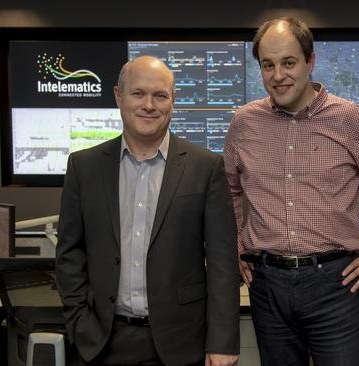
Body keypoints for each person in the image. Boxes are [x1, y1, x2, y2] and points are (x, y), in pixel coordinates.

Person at [223, 17, 359, 366]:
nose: (278, 75)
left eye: (289, 62)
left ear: (310, 61)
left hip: (335, 286)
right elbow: (229, 191)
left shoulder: (352, 121)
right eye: (268, 65)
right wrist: (236, 244)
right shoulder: (244, 124)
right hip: (267, 286)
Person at [56, 55, 239, 366]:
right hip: (102, 343)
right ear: (118, 96)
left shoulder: (206, 167)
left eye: (160, 95)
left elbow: (222, 264)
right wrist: (79, 321)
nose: (149, 105)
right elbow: (69, 252)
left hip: (181, 344)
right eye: (138, 93)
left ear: (173, 101)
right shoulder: (83, 167)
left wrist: (222, 342)